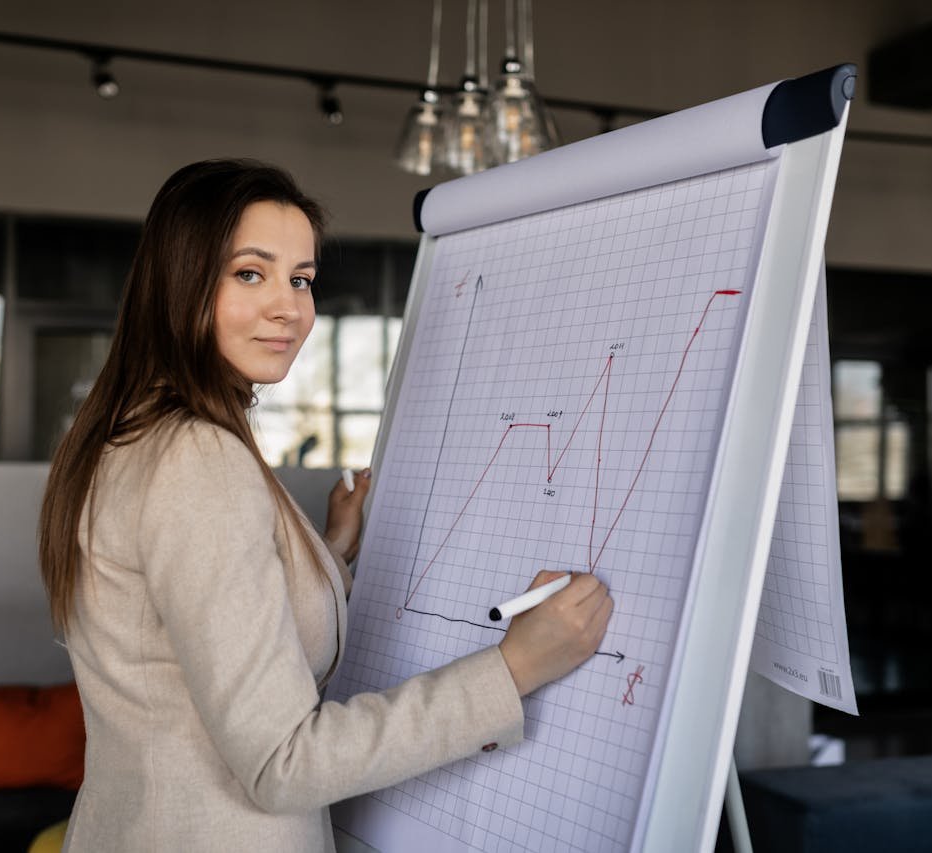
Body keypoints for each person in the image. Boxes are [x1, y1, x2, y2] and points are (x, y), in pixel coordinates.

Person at [38, 159, 615, 852]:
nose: (290, 306)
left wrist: (329, 551)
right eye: (250, 272)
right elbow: (282, 763)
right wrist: (512, 668)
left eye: (302, 278)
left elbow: (184, 621)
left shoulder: (128, 432)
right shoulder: (197, 457)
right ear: (181, 279)